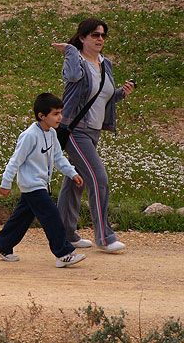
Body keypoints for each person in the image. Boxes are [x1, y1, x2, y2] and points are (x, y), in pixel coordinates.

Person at [52, 18, 135, 253]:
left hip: (94, 131)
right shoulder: (76, 62)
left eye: (103, 35)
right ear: (82, 38)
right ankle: (105, 237)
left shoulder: (104, 63)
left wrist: (121, 93)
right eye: (95, 35)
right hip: (74, 130)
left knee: (75, 181)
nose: (100, 39)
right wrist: (69, 51)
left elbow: (103, 96)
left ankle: (66, 233)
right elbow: (71, 77)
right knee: (98, 179)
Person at [0, 93, 87, 268]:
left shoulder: (52, 134)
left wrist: (72, 173)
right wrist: (5, 184)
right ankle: (63, 253)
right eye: (56, 114)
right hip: (32, 185)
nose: (60, 117)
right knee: (52, 216)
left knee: (22, 218)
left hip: (41, 184)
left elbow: (58, 158)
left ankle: (1, 246)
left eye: (60, 112)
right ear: (42, 116)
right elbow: (15, 161)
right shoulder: (29, 136)